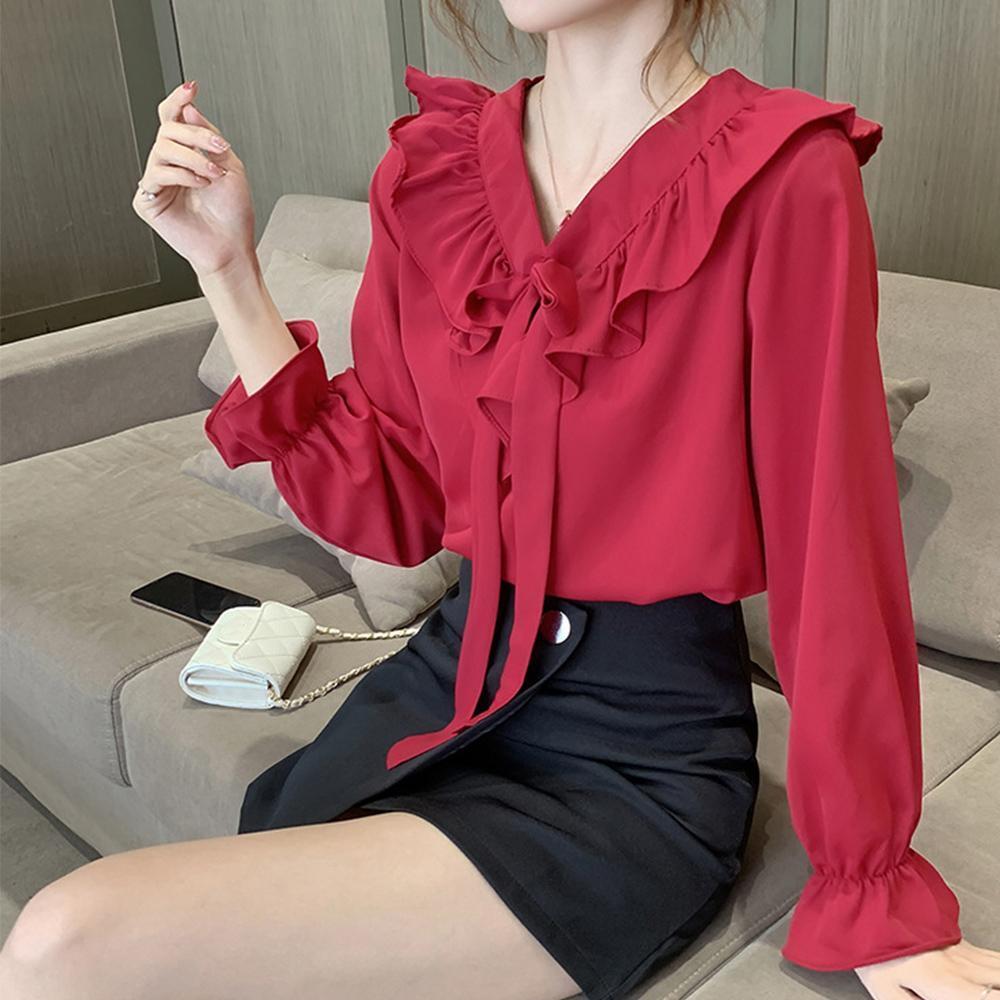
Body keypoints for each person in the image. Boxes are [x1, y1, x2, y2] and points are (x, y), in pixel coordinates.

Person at [2, 2, 998, 999]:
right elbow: (394, 504)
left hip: (637, 754)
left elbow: (836, 547)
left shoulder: (784, 174)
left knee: (66, 940)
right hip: (446, 686)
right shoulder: (436, 168)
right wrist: (228, 270)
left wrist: (871, 886)